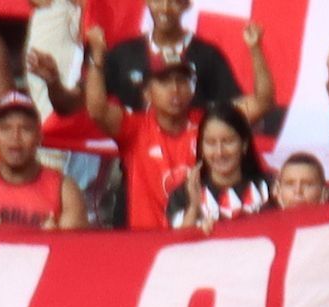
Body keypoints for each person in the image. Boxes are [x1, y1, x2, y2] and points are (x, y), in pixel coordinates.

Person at [71, 41, 205, 230]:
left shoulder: (209, 124)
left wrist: (256, 49)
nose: (175, 89)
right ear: (147, 93)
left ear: (192, 89)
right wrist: (97, 60)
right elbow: (97, 110)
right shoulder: (135, 128)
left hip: (199, 240)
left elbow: (258, 103)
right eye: (165, 81)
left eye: (182, 81)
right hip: (147, 244)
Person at [98, 0, 252, 115]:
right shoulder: (124, 52)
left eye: (174, 1)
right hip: (137, 153)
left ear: (187, 5)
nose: (165, 8)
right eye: (158, 0)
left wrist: (256, 50)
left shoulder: (208, 54)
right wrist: (94, 58)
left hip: (192, 152)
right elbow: (91, 102)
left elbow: (238, 108)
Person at [0, 92, 83, 228]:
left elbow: (75, 245)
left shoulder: (64, 190)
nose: (15, 137)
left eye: (25, 129)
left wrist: (54, 237)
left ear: (39, 137)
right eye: (6, 128)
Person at [166, 101, 275, 229]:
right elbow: (178, 243)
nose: (219, 152)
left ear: (244, 144)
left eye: (228, 141)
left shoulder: (271, 188)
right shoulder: (182, 195)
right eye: (211, 143)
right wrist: (194, 207)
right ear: (201, 147)